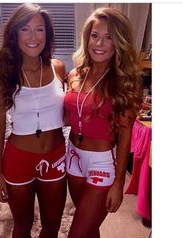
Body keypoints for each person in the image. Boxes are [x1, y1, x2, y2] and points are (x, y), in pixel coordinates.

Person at [64, 7, 143, 238]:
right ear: (87, 37)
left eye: (109, 37)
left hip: (101, 163)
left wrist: (119, 184)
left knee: (77, 233)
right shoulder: (75, 74)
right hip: (73, 158)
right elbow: (71, 114)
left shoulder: (125, 82)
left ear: (119, 42)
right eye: (95, 35)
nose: (99, 43)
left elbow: (125, 135)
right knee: (88, 227)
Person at [0, 3, 67, 238]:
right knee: (22, 226)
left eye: (40, 29)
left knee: (52, 225)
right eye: (25, 29)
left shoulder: (59, 68)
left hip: (55, 156)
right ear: (15, 33)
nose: (33, 37)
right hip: (18, 158)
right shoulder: (1, 76)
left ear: (48, 34)